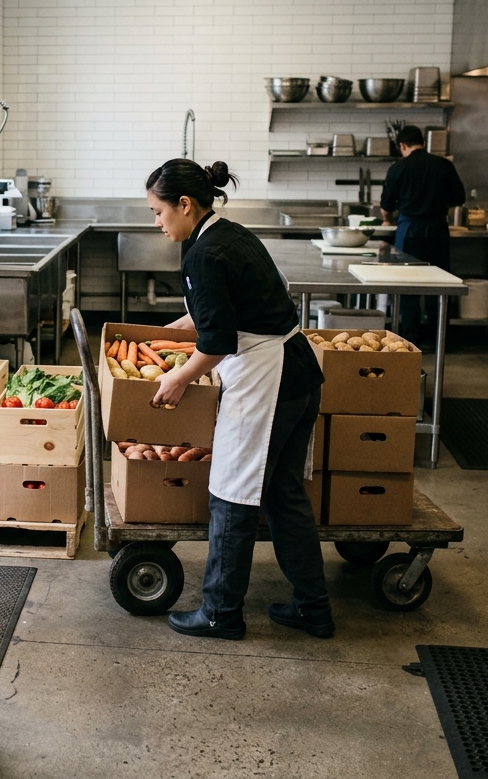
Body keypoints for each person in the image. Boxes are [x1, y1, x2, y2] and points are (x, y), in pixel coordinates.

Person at [146, 158, 333, 640]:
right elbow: (224, 312)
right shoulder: (227, 232)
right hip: (299, 372)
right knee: (283, 494)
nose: (157, 221)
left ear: (185, 205)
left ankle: (220, 614)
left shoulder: (201, 254)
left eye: (158, 211)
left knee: (231, 493)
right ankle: (314, 607)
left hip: (267, 380)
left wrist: (180, 379)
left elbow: (218, 342)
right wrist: (168, 334)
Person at [380, 125, 466, 343]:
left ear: (402, 145)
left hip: (409, 231)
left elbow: (386, 205)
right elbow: (459, 197)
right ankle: (439, 338)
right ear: (424, 143)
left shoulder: (398, 168)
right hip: (437, 230)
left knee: (408, 286)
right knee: (439, 284)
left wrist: (387, 218)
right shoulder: (444, 165)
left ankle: (411, 338)